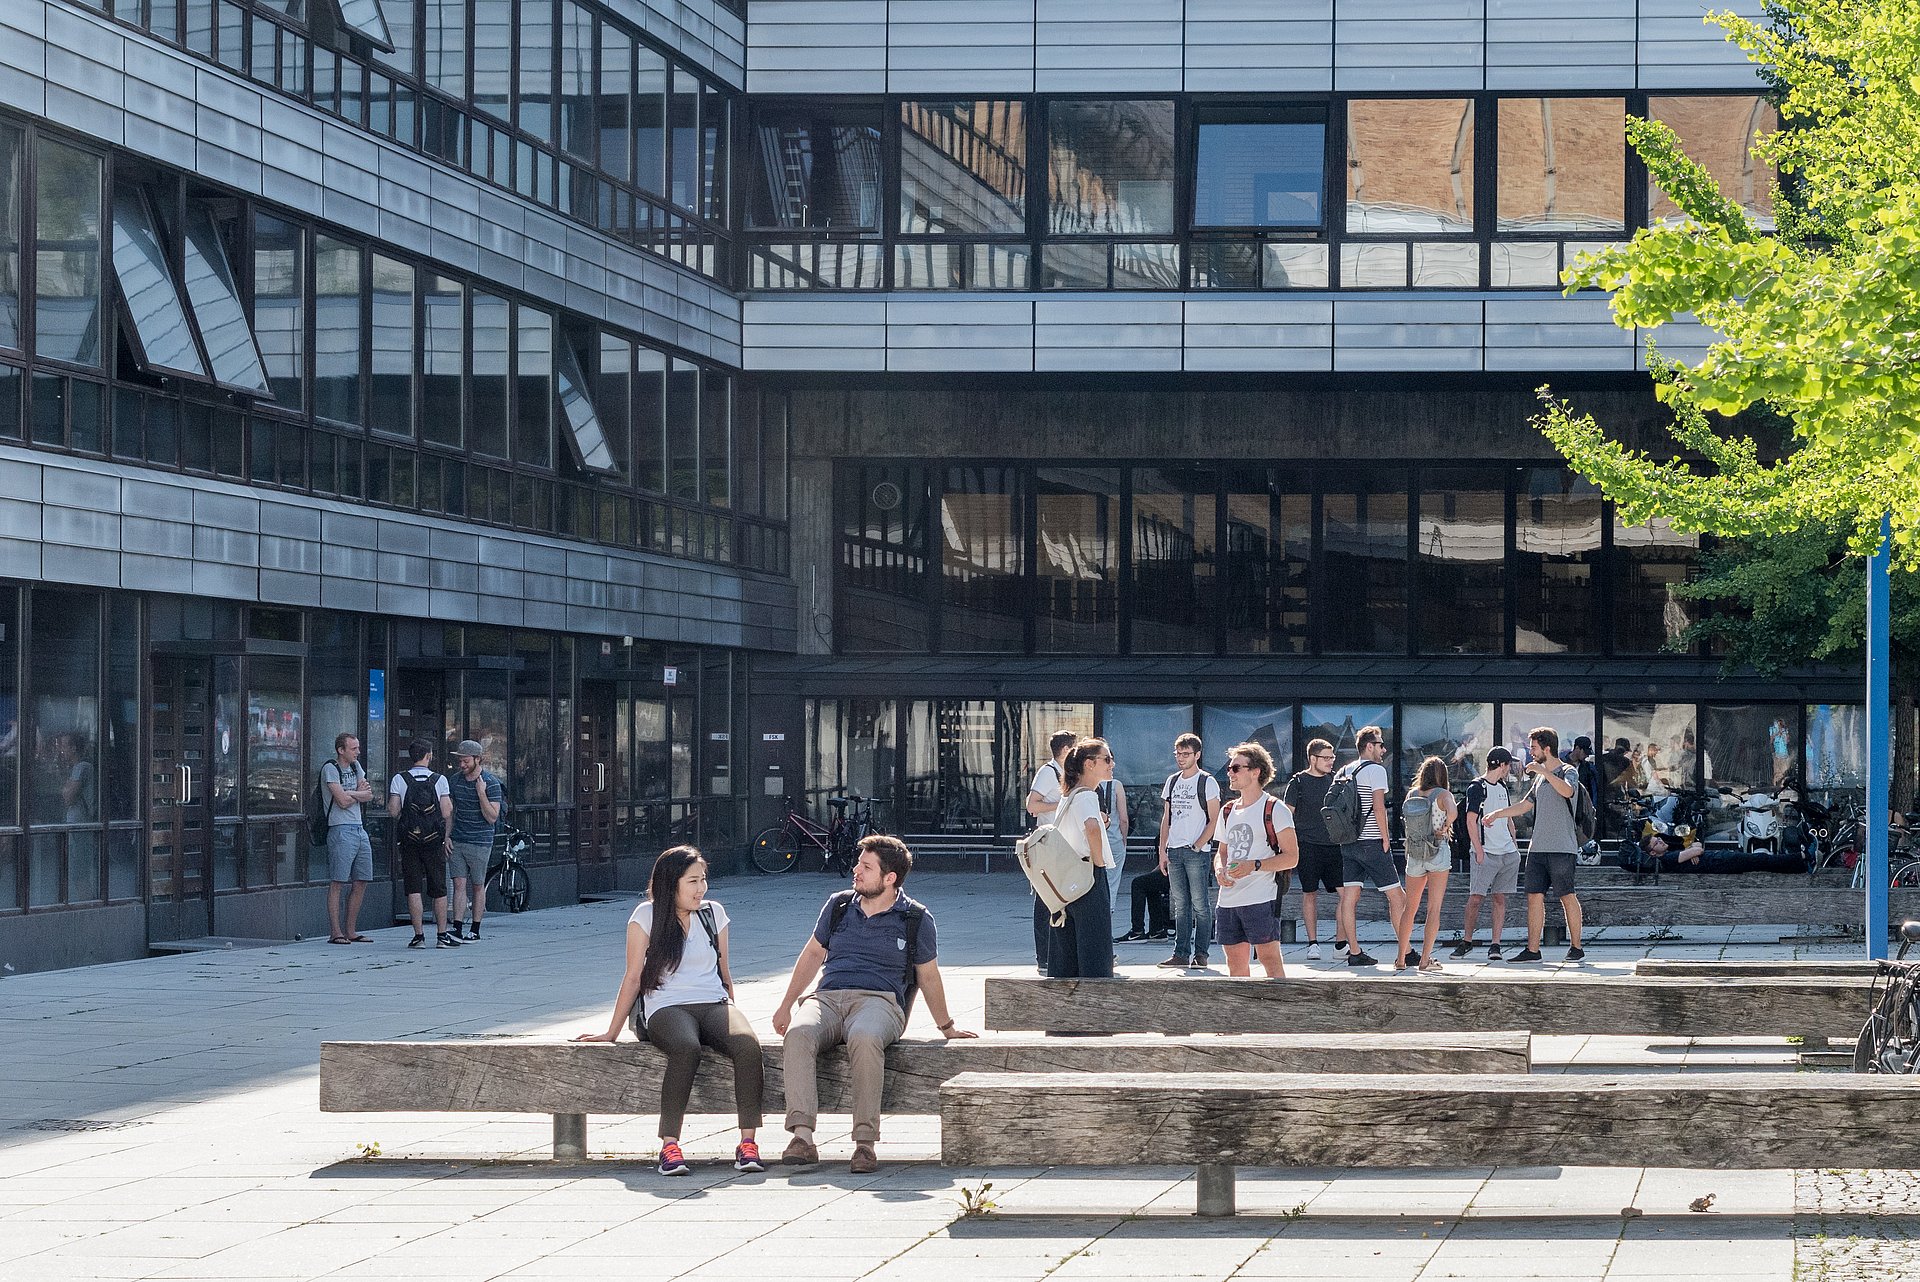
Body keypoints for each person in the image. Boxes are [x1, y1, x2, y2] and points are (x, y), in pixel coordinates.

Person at [773, 835, 975, 1173]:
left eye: (866, 867)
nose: (856, 870)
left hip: (880, 1003)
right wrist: (786, 1004)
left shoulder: (915, 919)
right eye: (858, 863)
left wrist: (947, 1027)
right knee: (799, 1033)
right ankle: (803, 1138)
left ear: (890, 878)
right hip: (828, 998)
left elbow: (928, 977)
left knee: (865, 1037)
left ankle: (864, 1144)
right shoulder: (838, 905)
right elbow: (811, 955)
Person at [576, 846, 764, 1177]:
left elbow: (725, 971)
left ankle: (747, 1143)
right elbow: (633, 977)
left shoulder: (713, 914)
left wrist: (734, 1009)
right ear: (670, 883)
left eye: (703, 880)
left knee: (747, 1045)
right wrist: (611, 1032)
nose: (701, 889)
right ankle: (670, 1145)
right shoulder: (645, 916)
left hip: (713, 1002)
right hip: (666, 1006)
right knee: (685, 1048)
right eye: (692, 881)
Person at [1486, 727, 1586, 963]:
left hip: (1562, 847)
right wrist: (1497, 814)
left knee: (1567, 895)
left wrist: (1544, 771)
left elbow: (1568, 791)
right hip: (1538, 848)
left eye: (1533, 748)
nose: (1530, 753)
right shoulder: (1540, 779)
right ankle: (1533, 950)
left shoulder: (1568, 771)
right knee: (1533, 896)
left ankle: (1577, 947)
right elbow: (1525, 804)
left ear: (1546, 748)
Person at [1214, 742, 1296, 979]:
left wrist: (1256, 865)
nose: (1230, 772)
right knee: (1235, 966)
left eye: (1236, 768)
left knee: (1270, 960)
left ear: (1255, 771)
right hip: (1228, 898)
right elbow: (1222, 852)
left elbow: (1292, 857)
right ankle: (1241, 1014)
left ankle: (1279, 1009)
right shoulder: (1228, 810)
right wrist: (1220, 870)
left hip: (1261, 897)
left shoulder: (1275, 809)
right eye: (1230, 768)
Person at [1044, 738, 1117, 978]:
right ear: (1089, 764)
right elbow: (1091, 827)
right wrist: (1099, 863)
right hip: (1087, 874)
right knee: (1095, 952)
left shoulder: (1069, 795)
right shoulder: (1086, 795)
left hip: (1067, 878)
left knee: (1068, 952)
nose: (1111, 764)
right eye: (1106, 759)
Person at [1334, 726, 1402, 969]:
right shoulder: (1376, 770)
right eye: (1380, 744)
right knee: (1397, 896)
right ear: (1369, 746)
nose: (1384, 749)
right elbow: (1379, 806)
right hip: (1372, 841)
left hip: (1348, 842)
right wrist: (1385, 838)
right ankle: (1407, 950)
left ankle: (1354, 951)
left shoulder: (1343, 770)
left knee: (1350, 899)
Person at [1156, 732, 1222, 970]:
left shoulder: (1207, 781)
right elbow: (1167, 817)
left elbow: (1214, 819)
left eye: (1186, 754)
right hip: (1174, 849)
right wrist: (1162, 850)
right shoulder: (1172, 781)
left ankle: (1201, 953)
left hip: (1196, 850)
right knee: (1180, 905)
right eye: (1178, 754)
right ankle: (1180, 952)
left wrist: (1198, 844)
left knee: (1200, 904)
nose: (1181, 758)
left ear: (1197, 755)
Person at [387, 737, 459, 949]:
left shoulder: (399, 779)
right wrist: (445, 835)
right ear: (428, 756)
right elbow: (446, 811)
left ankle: (418, 936)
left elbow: (393, 811)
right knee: (439, 888)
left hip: (409, 841)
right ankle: (442, 935)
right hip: (434, 841)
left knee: (413, 888)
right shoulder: (440, 780)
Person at [1452, 747, 1522, 960]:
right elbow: (1470, 820)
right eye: (1508, 765)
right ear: (1501, 765)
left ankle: (1495, 944)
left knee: (1499, 898)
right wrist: (1479, 850)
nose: (1509, 769)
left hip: (1506, 851)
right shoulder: (1477, 787)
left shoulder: (1502, 787)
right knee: (1476, 898)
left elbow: (1509, 817)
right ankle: (1467, 940)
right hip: (1486, 851)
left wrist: (1515, 845)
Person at [1281, 738, 1344, 961]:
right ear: (1313, 758)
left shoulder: (1336, 781)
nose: (1330, 762)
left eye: (1332, 757)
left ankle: (1341, 944)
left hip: (1335, 845)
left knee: (1346, 895)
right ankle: (1313, 943)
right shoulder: (1298, 782)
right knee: (1310, 893)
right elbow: (1287, 813)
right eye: (1326, 758)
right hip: (1307, 845)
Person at [1025, 729, 1078, 971]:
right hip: (1047, 843)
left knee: (1061, 897)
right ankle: (1043, 956)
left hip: (1062, 843)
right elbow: (1031, 805)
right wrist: (1062, 804)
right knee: (1044, 900)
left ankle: (1058, 953)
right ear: (1065, 750)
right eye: (1075, 748)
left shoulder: (1066, 773)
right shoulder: (1048, 773)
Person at [1399, 756, 1456, 972]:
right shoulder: (1443, 794)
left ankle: (1401, 959)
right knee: (1434, 909)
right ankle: (1424, 960)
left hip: (1414, 853)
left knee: (1409, 909)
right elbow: (1453, 812)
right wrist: (1445, 826)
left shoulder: (1412, 794)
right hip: (1437, 851)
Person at [447, 740, 504, 941]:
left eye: (465, 761)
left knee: (478, 885)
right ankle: (457, 927)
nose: (462, 765)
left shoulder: (492, 783)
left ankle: (475, 928)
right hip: (458, 839)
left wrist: (481, 794)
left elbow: (492, 817)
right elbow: (450, 812)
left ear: (477, 759)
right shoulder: (455, 781)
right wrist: (447, 836)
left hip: (480, 841)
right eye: (460, 761)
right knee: (459, 884)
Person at [323, 732, 375, 945]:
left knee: (361, 879)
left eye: (358, 748)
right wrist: (356, 793)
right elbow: (341, 802)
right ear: (341, 750)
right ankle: (336, 932)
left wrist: (350, 793)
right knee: (338, 881)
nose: (357, 752)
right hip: (340, 828)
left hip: (359, 828)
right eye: (353, 749)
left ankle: (351, 930)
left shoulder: (356, 767)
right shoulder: (330, 769)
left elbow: (369, 795)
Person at [1097, 773, 1131, 924]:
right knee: (1111, 882)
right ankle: (1106, 924)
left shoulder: (1086, 784)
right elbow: (1123, 818)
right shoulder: (1116, 785)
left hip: (1094, 841)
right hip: (1113, 840)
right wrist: (1124, 838)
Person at [1116, 866, 1171, 941]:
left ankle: (1137, 931)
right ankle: (1157, 930)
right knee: (1150, 884)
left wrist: (1160, 867)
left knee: (1138, 883)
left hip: (1176, 872)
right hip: (1179, 872)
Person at [1569, 737, 1600, 810]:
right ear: (1577, 748)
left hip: (1582, 809)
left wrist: (1592, 809)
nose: (1587, 755)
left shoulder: (1589, 768)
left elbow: (1594, 791)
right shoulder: (1561, 764)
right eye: (1585, 752)